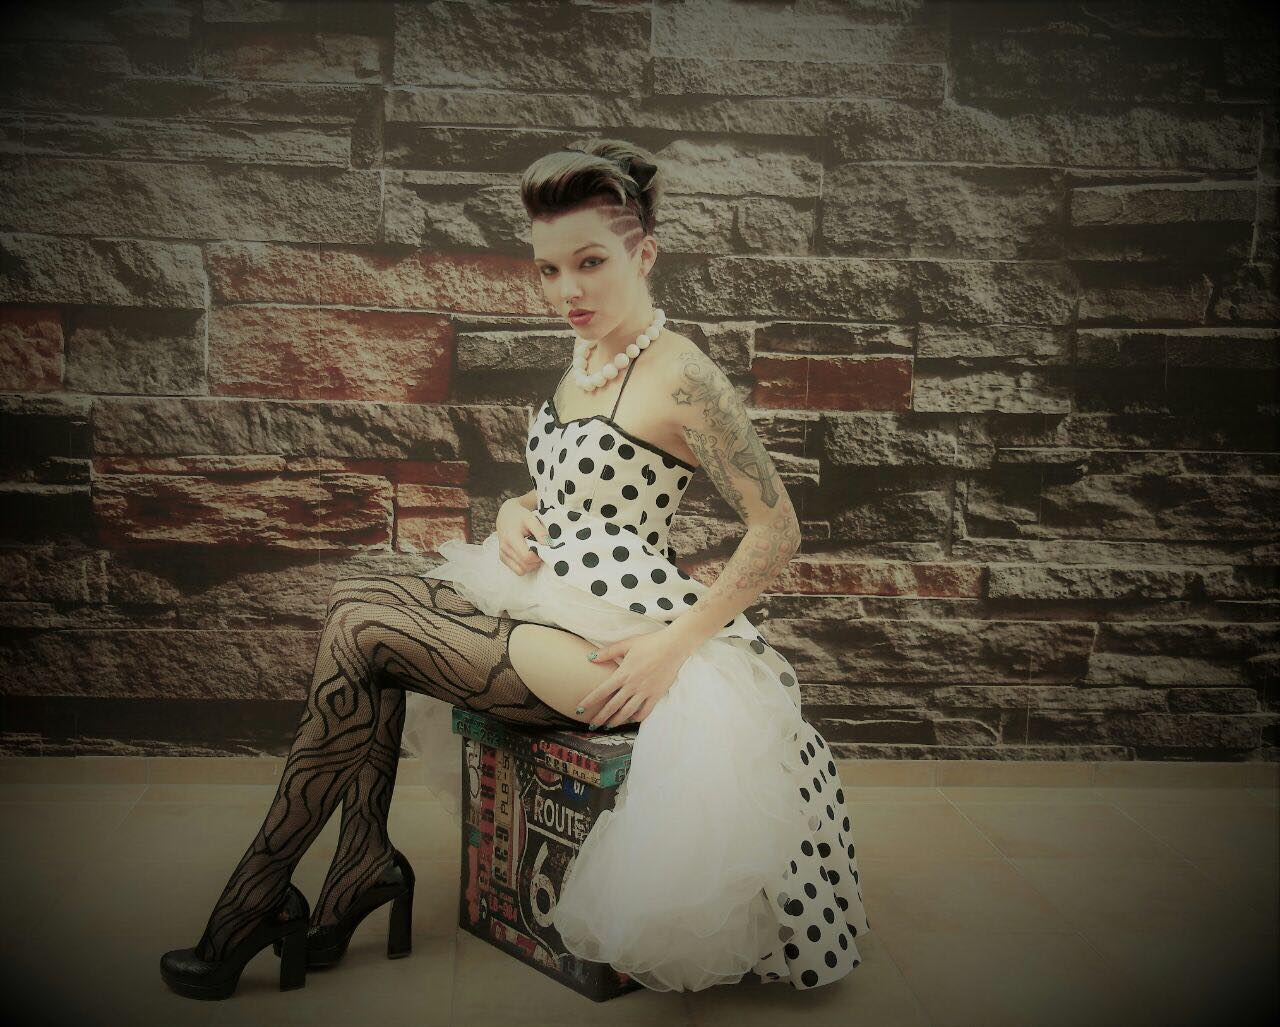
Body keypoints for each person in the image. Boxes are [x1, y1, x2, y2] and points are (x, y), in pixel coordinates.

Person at [160, 138, 870, 1000]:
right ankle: (357, 864)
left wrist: (672, 647)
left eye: (590, 263)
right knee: (359, 594)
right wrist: (513, 509)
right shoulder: (590, 353)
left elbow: (777, 530)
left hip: (621, 636)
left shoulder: (682, 372)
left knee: (365, 625)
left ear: (644, 255)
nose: (567, 291)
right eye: (548, 270)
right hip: (553, 593)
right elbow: (582, 483)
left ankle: (261, 898)